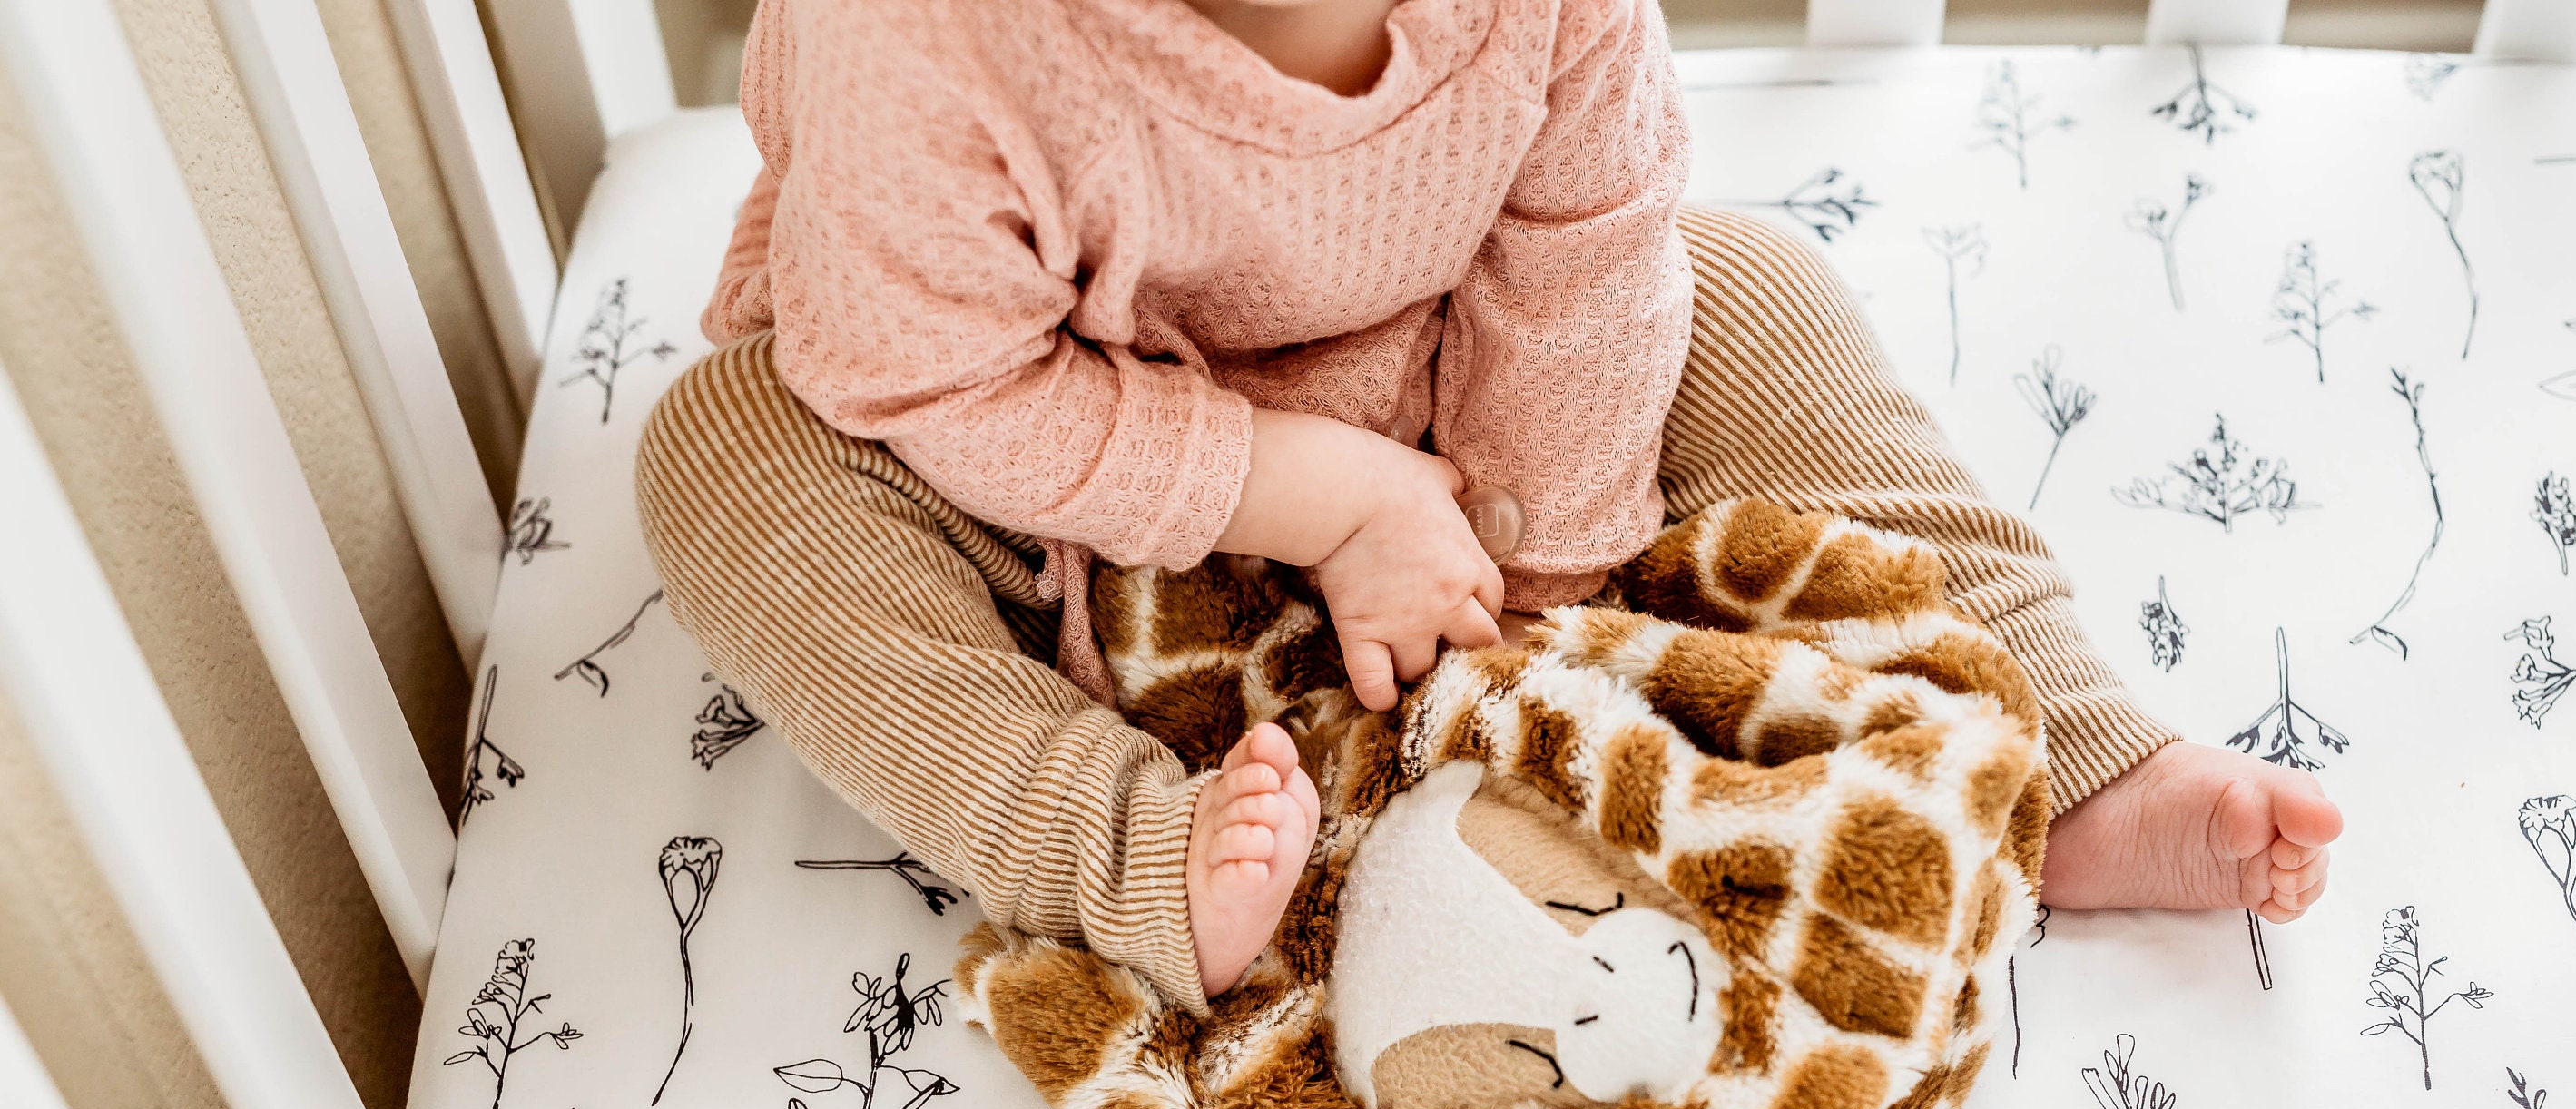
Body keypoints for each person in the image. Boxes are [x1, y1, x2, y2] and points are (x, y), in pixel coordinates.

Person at [636, 0, 2343, 1014]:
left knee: (1743, 285)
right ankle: (1132, 857)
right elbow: (923, 375)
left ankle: (2077, 744)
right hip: (1042, 452)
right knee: (728, 455)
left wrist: (1539, 590)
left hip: (1458, 398)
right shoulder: (922, 45)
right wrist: (1301, 493)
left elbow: (1590, 243)